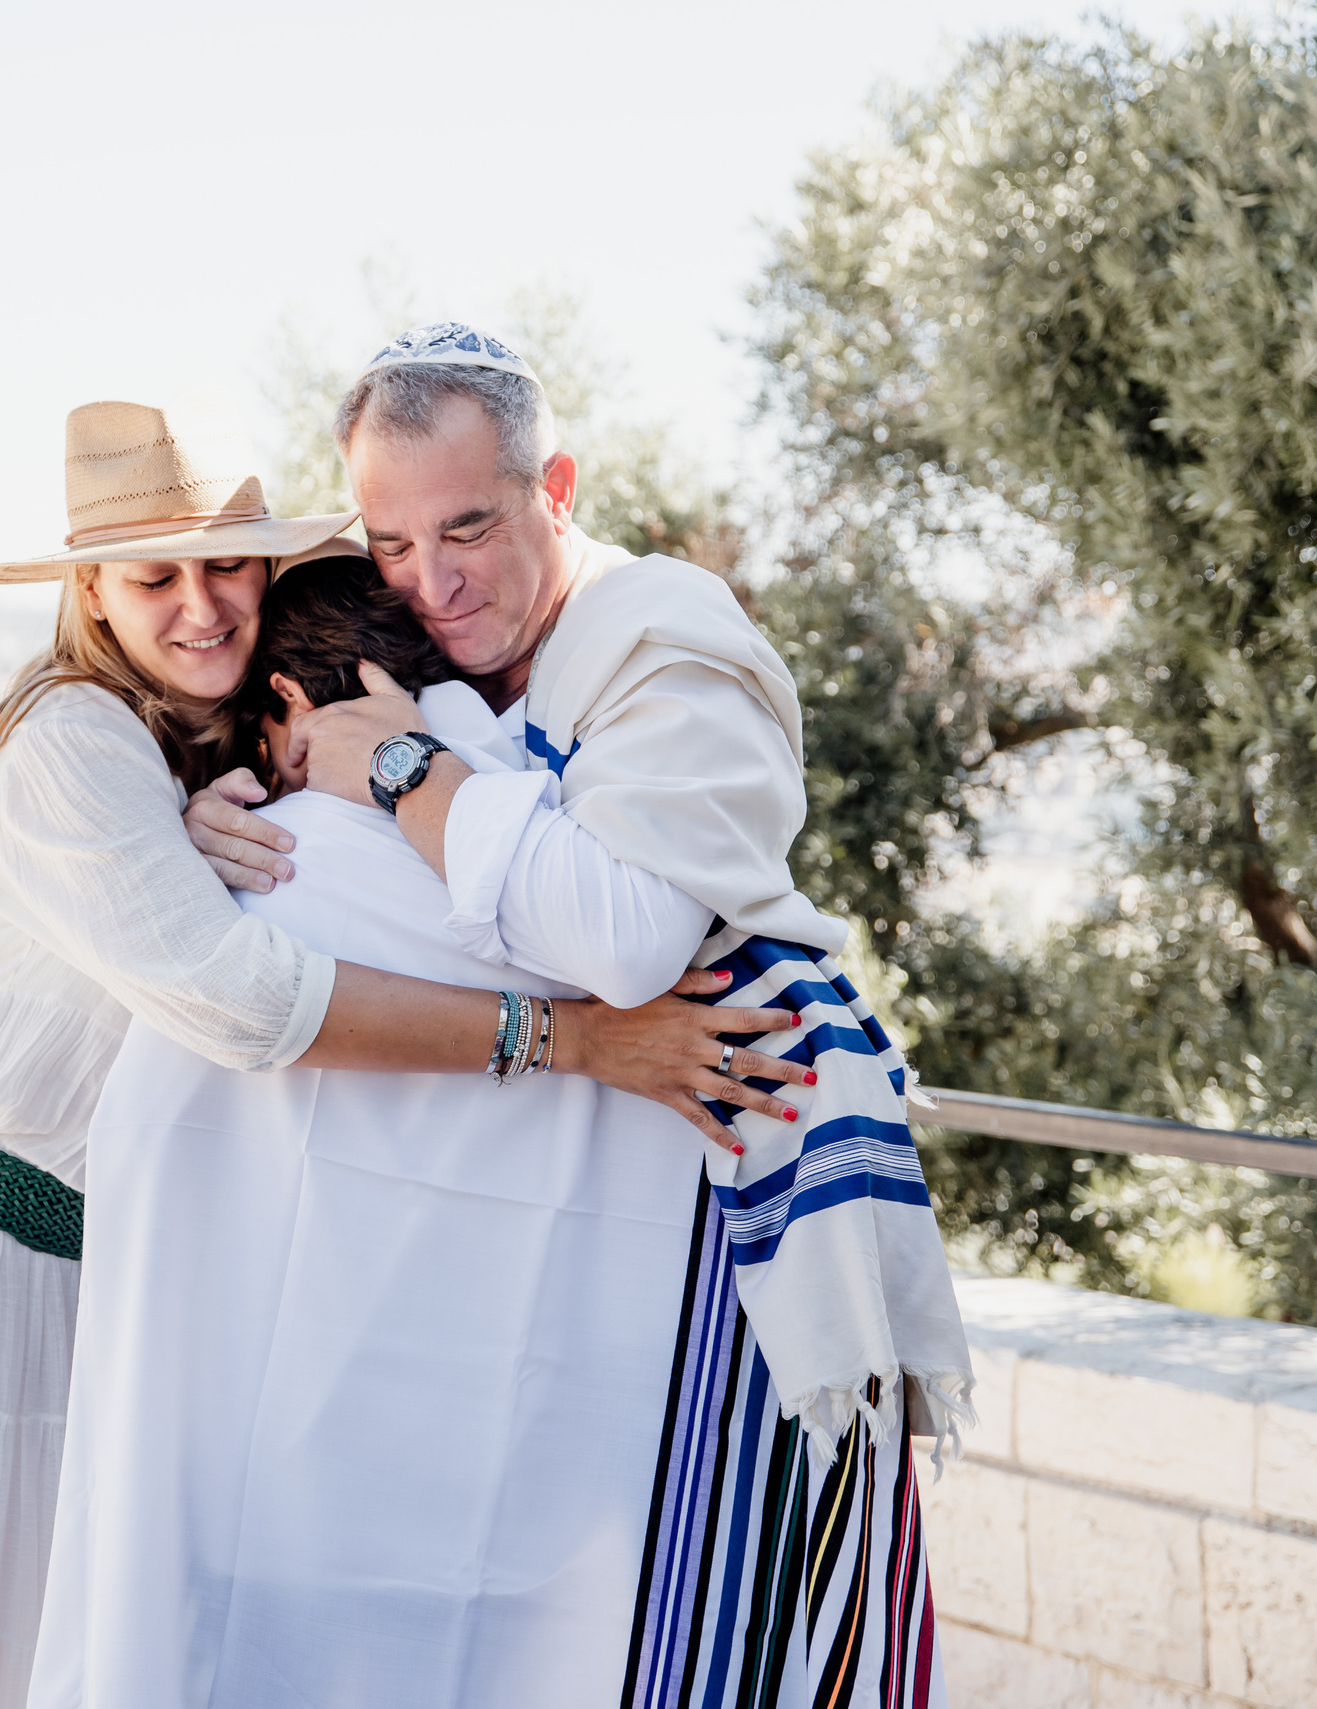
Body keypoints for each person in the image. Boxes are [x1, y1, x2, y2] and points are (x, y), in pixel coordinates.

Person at [0, 397, 805, 1709]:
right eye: (155, 577)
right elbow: (246, 1007)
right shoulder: (73, 746)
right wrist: (576, 1041)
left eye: (228, 567)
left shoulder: (199, 747)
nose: (202, 605)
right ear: (92, 595)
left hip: (84, 1268)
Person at [173, 325, 976, 1706]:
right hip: (607, 1225)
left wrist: (402, 769)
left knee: (743, 1621)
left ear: (557, 487)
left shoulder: (666, 642)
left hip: (747, 1182)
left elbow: (624, 934)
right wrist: (227, 810)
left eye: (470, 526)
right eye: (395, 546)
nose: (433, 582)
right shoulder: (461, 659)